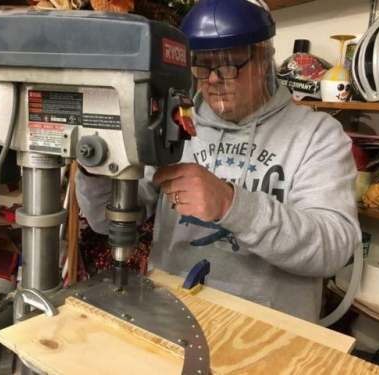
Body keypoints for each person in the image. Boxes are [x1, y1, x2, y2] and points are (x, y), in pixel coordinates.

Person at [76, 0, 361, 323]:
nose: (211, 79)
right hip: (171, 314)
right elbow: (107, 220)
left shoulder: (317, 135)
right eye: (201, 65)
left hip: (269, 333)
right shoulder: (172, 125)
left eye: (227, 65)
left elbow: (334, 250)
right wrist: (95, 167)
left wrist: (231, 203)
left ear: (264, 59)